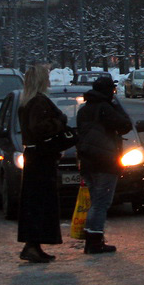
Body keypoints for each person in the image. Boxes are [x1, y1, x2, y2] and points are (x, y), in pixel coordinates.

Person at [16, 64, 68, 263]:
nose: (49, 79)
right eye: (45, 76)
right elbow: (39, 127)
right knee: (40, 202)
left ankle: (34, 245)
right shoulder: (37, 102)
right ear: (40, 80)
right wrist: (59, 122)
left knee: (35, 202)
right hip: (41, 159)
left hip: (35, 157)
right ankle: (32, 245)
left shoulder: (27, 101)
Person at [76, 75, 132, 254]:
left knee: (95, 201)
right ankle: (94, 240)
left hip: (88, 162)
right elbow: (125, 125)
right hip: (105, 161)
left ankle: (91, 237)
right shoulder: (106, 108)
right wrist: (115, 105)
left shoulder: (84, 110)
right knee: (101, 203)